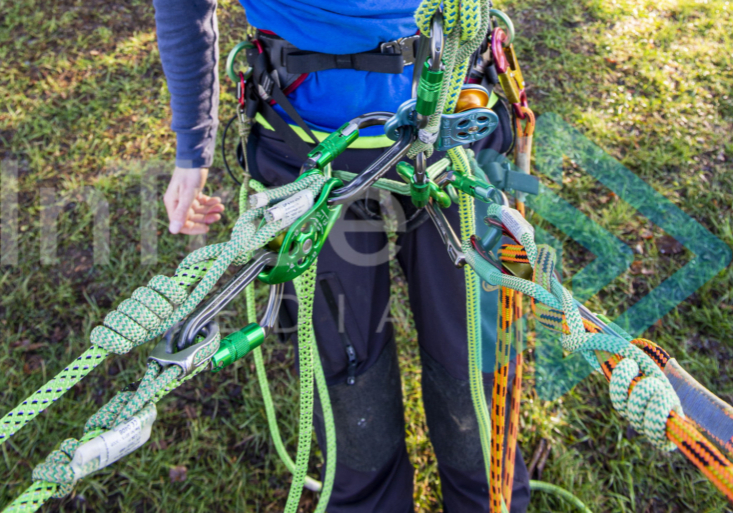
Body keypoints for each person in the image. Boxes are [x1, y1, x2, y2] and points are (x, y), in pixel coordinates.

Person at [153, 1, 531, 511]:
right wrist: (191, 148)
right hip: (304, 140)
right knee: (349, 370)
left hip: (455, 121)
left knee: (472, 355)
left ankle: (488, 496)